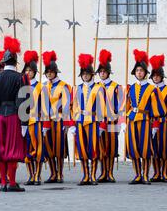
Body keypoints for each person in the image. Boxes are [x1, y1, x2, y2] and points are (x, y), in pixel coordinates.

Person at [0, 36, 30, 192]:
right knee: (12, 150)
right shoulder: (21, 77)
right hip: (13, 116)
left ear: (3, 62)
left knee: (0, 149)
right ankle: (12, 182)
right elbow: (24, 102)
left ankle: (3, 182)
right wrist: (24, 123)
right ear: (15, 62)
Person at [124, 49, 167, 185]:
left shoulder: (152, 89)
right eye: (137, 71)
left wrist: (155, 126)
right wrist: (124, 122)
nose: (139, 73)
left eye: (141, 71)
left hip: (145, 120)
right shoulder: (130, 88)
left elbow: (157, 110)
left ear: (145, 73)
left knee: (145, 149)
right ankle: (137, 175)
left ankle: (145, 175)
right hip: (132, 120)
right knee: (134, 148)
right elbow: (126, 106)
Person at [70, 54, 107, 185]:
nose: (85, 75)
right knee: (82, 149)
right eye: (83, 73)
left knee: (93, 149)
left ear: (92, 74)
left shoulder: (99, 88)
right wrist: (72, 124)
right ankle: (85, 175)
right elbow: (73, 107)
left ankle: (92, 176)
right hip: (80, 121)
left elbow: (103, 108)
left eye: (87, 73)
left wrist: (102, 125)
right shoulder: (77, 88)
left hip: (93, 121)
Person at [42, 51, 74, 183]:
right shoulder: (43, 86)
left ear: (55, 72)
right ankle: (53, 173)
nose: (49, 74)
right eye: (47, 72)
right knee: (49, 147)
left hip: (59, 120)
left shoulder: (64, 86)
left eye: (51, 71)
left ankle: (60, 173)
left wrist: (67, 123)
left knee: (59, 148)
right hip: (46, 121)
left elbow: (68, 105)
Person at [149, 55, 167, 183]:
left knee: (165, 149)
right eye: (153, 75)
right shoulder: (148, 90)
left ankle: (164, 173)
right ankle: (156, 173)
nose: (155, 77)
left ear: (161, 76)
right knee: (153, 149)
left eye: (157, 75)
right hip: (151, 123)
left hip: (165, 123)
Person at [21, 50, 48, 185]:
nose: (28, 73)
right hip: (25, 122)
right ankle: (30, 175)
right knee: (27, 149)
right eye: (26, 70)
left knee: (38, 150)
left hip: (37, 121)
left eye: (31, 71)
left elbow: (45, 107)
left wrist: (45, 125)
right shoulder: (21, 86)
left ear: (35, 72)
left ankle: (37, 175)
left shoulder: (41, 87)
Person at [96, 49, 122, 183]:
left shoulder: (116, 86)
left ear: (108, 72)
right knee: (101, 148)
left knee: (111, 147)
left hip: (112, 121)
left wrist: (120, 121)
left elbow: (121, 105)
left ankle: (110, 173)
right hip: (100, 121)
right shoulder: (95, 86)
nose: (102, 74)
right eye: (100, 72)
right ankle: (103, 172)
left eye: (104, 72)